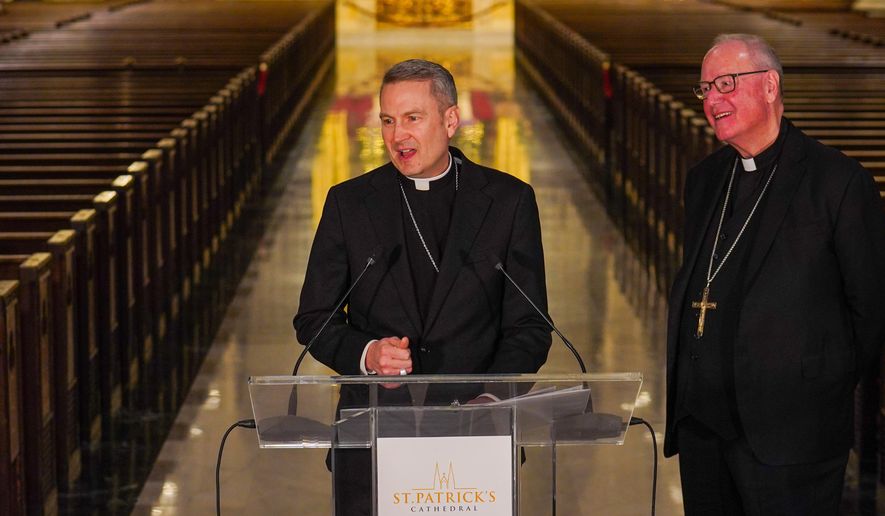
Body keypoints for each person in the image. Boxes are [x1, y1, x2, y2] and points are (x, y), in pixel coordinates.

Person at [293, 58, 552, 514]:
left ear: (450, 119)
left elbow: (530, 326)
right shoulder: (349, 203)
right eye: (388, 121)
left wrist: (492, 398)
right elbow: (315, 318)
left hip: (477, 441)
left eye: (413, 118)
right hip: (371, 437)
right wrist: (367, 353)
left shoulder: (509, 202)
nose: (398, 136)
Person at [664, 33, 885, 515]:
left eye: (726, 84)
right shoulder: (704, 180)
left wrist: (817, 387)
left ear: (769, 86)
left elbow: (872, 311)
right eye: (705, 90)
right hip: (703, 429)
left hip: (791, 438)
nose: (713, 100)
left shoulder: (839, 183)